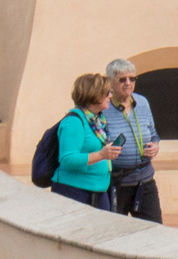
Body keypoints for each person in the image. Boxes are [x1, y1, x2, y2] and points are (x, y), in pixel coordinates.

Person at [101, 58, 164, 224]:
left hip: (145, 181)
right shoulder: (103, 107)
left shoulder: (142, 102)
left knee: (155, 230)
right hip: (117, 183)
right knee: (114, 233)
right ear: (110, 83)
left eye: (132, 78)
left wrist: (156, 145)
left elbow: (153, 133)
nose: (128, 83)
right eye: (122, 79)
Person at [50, 73, 123, 210]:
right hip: (74, 191)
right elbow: (67, 159)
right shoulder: (74, 122)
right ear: (94, 94)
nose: (110, 96)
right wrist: (101, 155)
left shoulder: (97, 119)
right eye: (107, 92)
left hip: (99, 190)